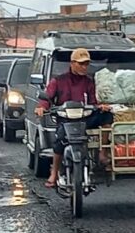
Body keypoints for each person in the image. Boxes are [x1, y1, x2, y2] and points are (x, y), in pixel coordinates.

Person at [34, 48, 112, 188]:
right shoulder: (58, 81)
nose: (84, 67)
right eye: (81, 64)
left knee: (107, 116)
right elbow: (48, 96)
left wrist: (100, 107)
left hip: (84, 118)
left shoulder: (88, 82)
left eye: (86, 64)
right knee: (59, 142)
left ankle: (102, 153)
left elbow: (93, 101)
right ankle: (54, 172)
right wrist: (42, 107)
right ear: (72, 63)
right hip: (65, 120)